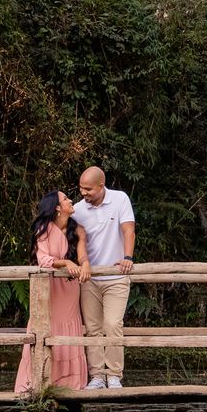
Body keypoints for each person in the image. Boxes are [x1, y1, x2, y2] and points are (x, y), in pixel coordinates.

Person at [14, 191, 89, 393]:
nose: (70, 201)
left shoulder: (78, 230)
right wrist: (65, 262)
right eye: (65, 199)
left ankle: (68, 384)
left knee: (68, 326)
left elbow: (82, 256)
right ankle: (37, 381)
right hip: (48, 287)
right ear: (56, 207)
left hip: (70, 288)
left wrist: (85, 264)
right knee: (47, 325)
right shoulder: (43, 230)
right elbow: (43, 259)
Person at [72, 167, 135, 389]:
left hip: (116, 276)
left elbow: (128, 229)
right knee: (92, 327)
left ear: (101, 185)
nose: (84, 193)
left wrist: (127, 257)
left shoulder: (120, 199)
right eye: (81, 188)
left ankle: (114, 374)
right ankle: (97, 375)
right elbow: (78, 241)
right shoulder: (78, 210)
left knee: (113, 324)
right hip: (90, 278)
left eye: (88, 189)